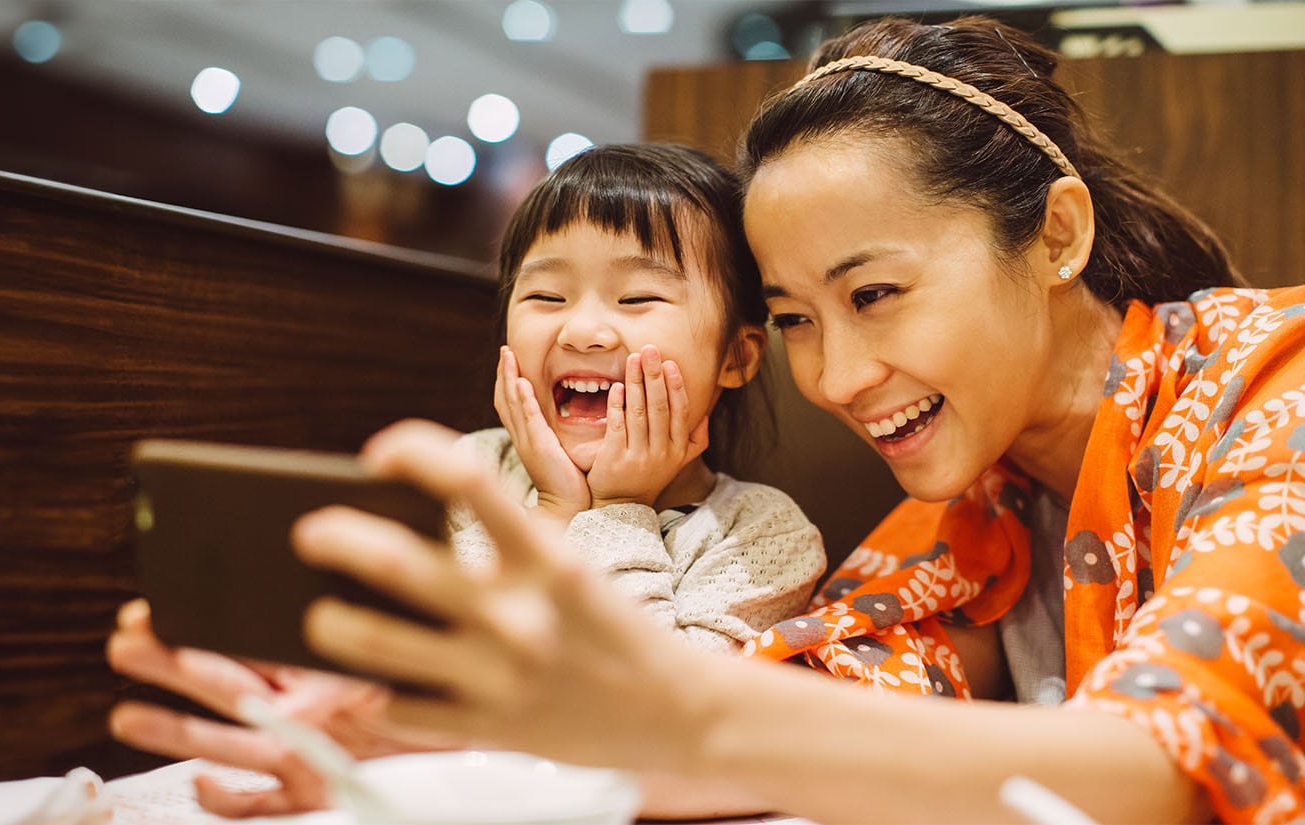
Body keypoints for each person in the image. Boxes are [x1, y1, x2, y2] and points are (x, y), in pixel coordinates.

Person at [110, 16, 1301, 824]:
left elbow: (1166, 767)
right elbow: (819, 711)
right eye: (794, 320)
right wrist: (410, 737)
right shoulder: (970, 517)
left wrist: (677, 712)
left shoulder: (1272, 382)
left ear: (1056, 236)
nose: (834, 378)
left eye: (874, 294)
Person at [451, 142, 823, 653]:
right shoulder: (472, 470)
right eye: (547, 297)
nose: (581, 331)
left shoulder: (763, 535)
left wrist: (619, 509)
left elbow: (661, 701)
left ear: (735, 357)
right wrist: (555, 508)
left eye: (637, 298)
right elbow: (437, 646)